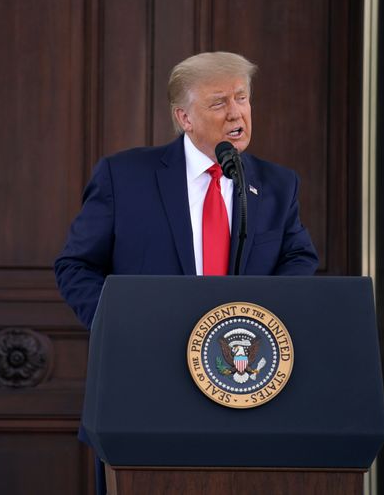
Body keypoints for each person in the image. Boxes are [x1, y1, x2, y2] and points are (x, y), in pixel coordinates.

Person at [53, 51, 319, 493]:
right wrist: (119, 324)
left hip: (246, 387)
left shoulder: (277, 185)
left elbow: (299, 259)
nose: (236, 112)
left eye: (242, 98)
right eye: (219, 103)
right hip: (145, 390)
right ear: (184, 117)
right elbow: (75, 265)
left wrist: (266, 322)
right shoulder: (125, 177)